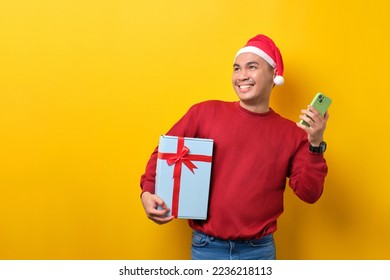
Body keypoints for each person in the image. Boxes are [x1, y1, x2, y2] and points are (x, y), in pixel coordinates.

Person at [140, 34, 329, 260]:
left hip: (259, 251)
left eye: (252, 67)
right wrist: (148, 191)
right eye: (237, 69)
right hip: (207, 246)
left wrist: (315, 144)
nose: (242, 76)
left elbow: (309, 193)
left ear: (274, 74)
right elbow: (164, 153)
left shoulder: (293, 133)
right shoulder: (204, 113)